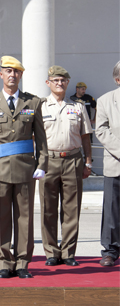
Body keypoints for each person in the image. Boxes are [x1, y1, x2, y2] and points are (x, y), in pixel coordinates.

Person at [0, 56, 48, 279]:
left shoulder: (32, 103)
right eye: (8, 71)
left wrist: (42, 163)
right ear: (1, 75)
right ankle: (5, 262)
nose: (12, 75)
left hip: (26, 168)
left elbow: (41, 139)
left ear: (21, 75)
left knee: (24, 217)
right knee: (3, 217)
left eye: (16, 72)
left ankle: (23, 262)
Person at [39, 66, 93, 267]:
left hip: (73, 160)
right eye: (55, 80)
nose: (59, 83)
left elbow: (86, 136)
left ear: (67, 83)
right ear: (48, 83)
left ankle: (69, 252)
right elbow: (34, 137)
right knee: (48, 209)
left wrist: (88, 161)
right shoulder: (40, 106)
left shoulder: (78, 107)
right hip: (48, 162)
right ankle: (52, 252)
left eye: (63, 80)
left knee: (72, 209)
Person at [95, 60, 120, 267]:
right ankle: (110, 250)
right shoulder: (105, 100)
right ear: (117, 79)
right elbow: (101, 130)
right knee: (112, 210)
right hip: (115, 163)